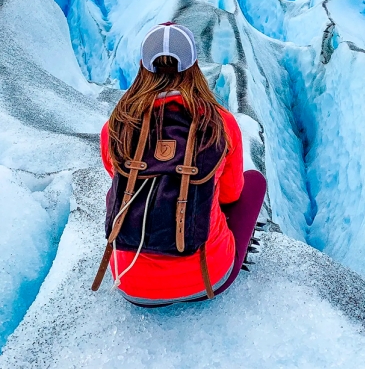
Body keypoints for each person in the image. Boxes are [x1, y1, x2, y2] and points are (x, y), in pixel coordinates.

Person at [91, 22, 267, 307]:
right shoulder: (220, 123)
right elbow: (231, 195)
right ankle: (227, 251)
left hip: (133, 285)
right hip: (208, 279)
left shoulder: (116, 126)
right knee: (254, 182)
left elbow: (117, 178)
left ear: (143, 66)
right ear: (194, 66)